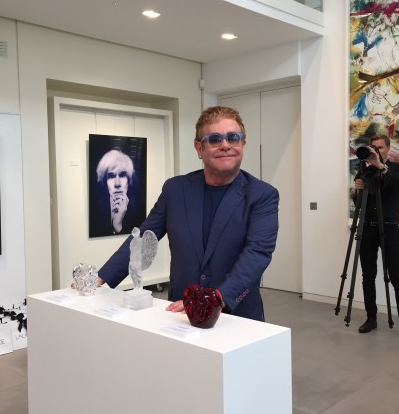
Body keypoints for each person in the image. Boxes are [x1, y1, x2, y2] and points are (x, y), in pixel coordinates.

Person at [96, 106, 279, 321]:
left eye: (233, 138)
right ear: (199, 148)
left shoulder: (262, 195)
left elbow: (257, 253)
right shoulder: (175, 190)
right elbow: (142, 240)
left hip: (235, 315)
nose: (225, 145)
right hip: (179, 313)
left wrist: (215, 298)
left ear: (243, 144)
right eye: (215, 139)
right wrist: (100, 278)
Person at [354, 134, 399, 344]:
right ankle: (371, 318)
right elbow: (359, 204)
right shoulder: (365, 172)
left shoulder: (398, 169)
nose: (375, 151)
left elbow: (397, 185)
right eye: (372, 147)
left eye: (380, 147)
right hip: (367, 228)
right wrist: (358, 191)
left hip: (389, 229)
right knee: (368, 276)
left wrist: (380, 166)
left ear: (388, 149)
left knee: (397, 277)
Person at [90, 149, 143, 237]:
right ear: (105, 181)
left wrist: (118, 226)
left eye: (122, 175)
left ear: (129, 180)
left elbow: (136, 241)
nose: (117, 183)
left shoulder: (139, 209)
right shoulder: (94, 208)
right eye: (111, 176)